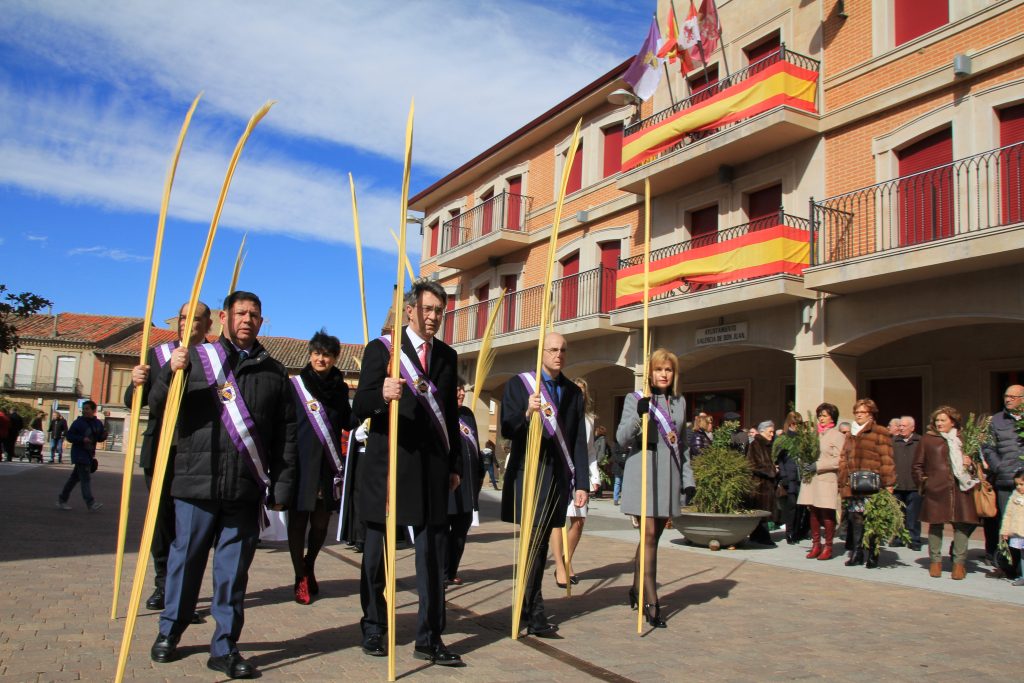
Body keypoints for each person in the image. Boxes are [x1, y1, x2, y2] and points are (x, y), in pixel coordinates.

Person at [148, 291, 297, 679]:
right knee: (186, 562)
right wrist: (169, 373)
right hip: (197, 482)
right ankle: (170, 632)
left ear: (262, 322)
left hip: (245, 490)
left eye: (254, 314)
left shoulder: (275, 373)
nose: (247, 319)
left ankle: (225, 646)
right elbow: (160, 404)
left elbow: (287, 435)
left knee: (232, 574)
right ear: (224, 318)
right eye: (240, 313)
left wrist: (281, 488)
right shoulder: (197, 360)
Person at [352, 279, 464, 667]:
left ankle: (430, 637)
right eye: (428, 309)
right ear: (411, 310)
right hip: (390, 462)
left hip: (432, 468)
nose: (433, 317)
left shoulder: (447, 357)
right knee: (376, 554)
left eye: (439, 311)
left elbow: (450, 415)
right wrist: (381, 394)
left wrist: (454, 467)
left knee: (432, 555)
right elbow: (358, 407)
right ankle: (374, 625)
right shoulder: (382, 350)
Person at [126, 301, 214, 612]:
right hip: (160, 448)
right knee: (160, 521)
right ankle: (162, 581)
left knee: (187, 525)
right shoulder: (158, 354)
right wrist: (135, 381)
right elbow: (135, 400)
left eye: (196, 318)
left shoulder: (214, 358)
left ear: (208, 325)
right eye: (182, 317)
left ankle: (183, 588)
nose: (187, 323)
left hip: (195, 452)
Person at [501, 332, 589, 637]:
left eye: (563, 350)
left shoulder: (573, 392)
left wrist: (582, 482)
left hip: (557, 475)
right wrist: (527, 412)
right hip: (529, 470)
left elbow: (578, 440)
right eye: (553, 349)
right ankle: (534, 610)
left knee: (538, 544)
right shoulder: (520, 384)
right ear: (542, 352)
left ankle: (528, 604)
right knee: (534, 541)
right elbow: (506, 427)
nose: (559, 355)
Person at [616, 348, 692, 628]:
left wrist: (689, 480)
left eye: (668, 370)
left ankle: (636, 586)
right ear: (650, 372)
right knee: (647, 535)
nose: (663, 374)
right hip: (644, 473)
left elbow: (682, 446)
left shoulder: (680, 402)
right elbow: (621, 438)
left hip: (668, 476)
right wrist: (639, 416)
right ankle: (652, 599)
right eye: (659, 369)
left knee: (652, 538)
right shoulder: (635, 399)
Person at [287, 329, 351, 605]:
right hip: (301, 464)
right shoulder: (296, 386)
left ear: (335, 358)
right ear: (310, 354)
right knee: (298, 523)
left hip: (328, 465)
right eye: (316, 353)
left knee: (321, 524)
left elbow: (349, 421)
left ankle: (309, 563)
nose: (320, 359)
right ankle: (300, 576)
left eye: (326, 355)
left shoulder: (340, 388)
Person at [912, 406, 980, 580]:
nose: (939, 423)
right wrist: (925, 483)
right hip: (936, 488)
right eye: (937, 420)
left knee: (962, 525)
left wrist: (970, 462)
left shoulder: (963, 438)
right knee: (935, 525)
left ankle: (959, 564)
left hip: (961, 487)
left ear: (953, 421)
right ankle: (935, 562)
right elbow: (917, 465)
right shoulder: (928, 439)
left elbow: (977, 466)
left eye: (943, 420)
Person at [550, 376, 598, 589]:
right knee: (558, 521)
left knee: (578, 522)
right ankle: (561, 565)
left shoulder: (589, 419)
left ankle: (566, 558)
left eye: (581, 390)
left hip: (579, 475)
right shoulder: (558, 414)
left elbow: (590, 451)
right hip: (561, 472)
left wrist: (593, 476)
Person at [838, 398, 896, 568]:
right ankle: (857, 552)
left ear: (871, 414)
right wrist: (842, 478)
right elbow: (843, 457)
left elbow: (887, 459)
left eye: (862, 412)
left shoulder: (880, 432)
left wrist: (888, 483)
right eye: (856, 412)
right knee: (856, 518)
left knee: (872, 519)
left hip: (872, 484)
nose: (858, 415)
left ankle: (873, 553)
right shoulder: (850, 434)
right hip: (853, 483)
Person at [983, 385, 1024, 571]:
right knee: (1008, 525)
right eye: (1006, 396)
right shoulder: (997, 420)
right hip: (1006, 480)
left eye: (1013, 397)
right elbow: (988, 447)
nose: (1008, 400)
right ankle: (1010, 565)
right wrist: (998, 466)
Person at [799, 403, 844, 561]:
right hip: (812, 479)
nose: (821, 418)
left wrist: (818, 465)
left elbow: (839, 459)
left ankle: (828, 546)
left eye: (824, 415)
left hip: (826, 478)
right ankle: (816, 544)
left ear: (832, 417)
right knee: (813, 512)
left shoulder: (837, 436)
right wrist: (804, 462)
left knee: (827, 512)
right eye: (819, 415)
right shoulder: (814, 435)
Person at [446, 380, 481, 586]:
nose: (461, 394)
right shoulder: (442, 412)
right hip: (450, 482)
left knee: (462, 527)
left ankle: (452, 569)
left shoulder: (468, 414)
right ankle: (441, 571)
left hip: (469, 482)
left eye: (462, 391)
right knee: (444, 528)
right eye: (457, 390)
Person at [56, 400, 106, 511]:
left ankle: (62, 499)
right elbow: (69, 436)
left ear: (94, 410)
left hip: (89, 454)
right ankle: (90, 503)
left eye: (87, 409)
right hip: (79, 453)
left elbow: (100, 437)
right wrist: (82, 439)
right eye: (83, 409)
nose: (84, 411)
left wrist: (104, 435)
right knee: (85, 479)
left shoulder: (97, 423)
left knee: (74, 478)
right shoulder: (78, 423)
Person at [774, 412, 807, 545]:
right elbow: (779, 459)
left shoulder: (802, 439)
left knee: (801, 507)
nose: (797, 427)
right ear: (790, 424)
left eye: (799, 424)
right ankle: (789, 533)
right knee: (791, 506)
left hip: (801, 476)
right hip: (789, 475)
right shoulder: (784, 438)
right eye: (795, 424)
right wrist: (784, 476)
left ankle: (798, 531)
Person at [891, 416, 923, 550]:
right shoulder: (893, 442)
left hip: (914, 485)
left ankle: (914, 539)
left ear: (912, 428)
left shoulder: (920, 441)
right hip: (897, 485)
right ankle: (898, 537)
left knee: (913, 514)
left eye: (904, 426)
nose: (901, 428)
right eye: (900, 425)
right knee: (899, 514)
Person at [746, 420, 778, 547]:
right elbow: (753, 465)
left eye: (773, 432)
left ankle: (758, 536)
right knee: (761, 511)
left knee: (764, 511)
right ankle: (763, 537)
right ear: (762, 431)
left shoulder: (767, 445)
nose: (772, 434)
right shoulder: (756, 444)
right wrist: (772, 470)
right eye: (770, 431)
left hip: (766, 485)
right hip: (759, 485)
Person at [999, 468, 1024, 586]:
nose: (1019, 487)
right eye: (1017, 484)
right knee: (1022, 555)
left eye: (1022, 484)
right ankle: (1023, 576)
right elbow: (1008, 515)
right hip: (1018, 532)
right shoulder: (1014, 496)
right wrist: (1005, 531)